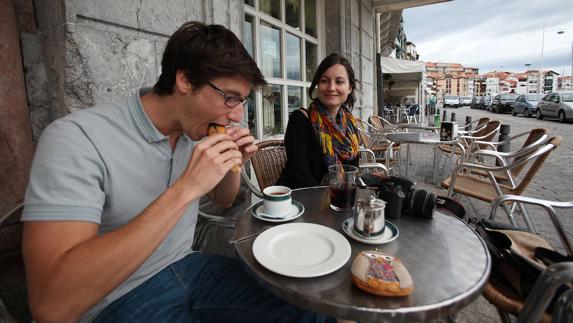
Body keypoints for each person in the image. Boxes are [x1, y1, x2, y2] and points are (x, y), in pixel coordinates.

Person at [21, 21, 333, 323]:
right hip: (116, 300)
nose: (237, 114)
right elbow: (52, 307)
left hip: (189, 268)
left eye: (242, 101)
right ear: (184, 80)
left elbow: (224, 199)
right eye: (230, 97)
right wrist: (185, 189)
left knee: (313, 307)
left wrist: (231, 164)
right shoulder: (76, 138)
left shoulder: (194, 131)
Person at [276, 53, 360, 189]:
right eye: (324, 81)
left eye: (339, 82)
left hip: (338, 198)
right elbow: (300, 176)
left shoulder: (350, 123)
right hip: (300, 200)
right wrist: (331, 201)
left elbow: (352, 171)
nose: (331, 87)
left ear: (349, 88)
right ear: (317, 84)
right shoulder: (300, 120)